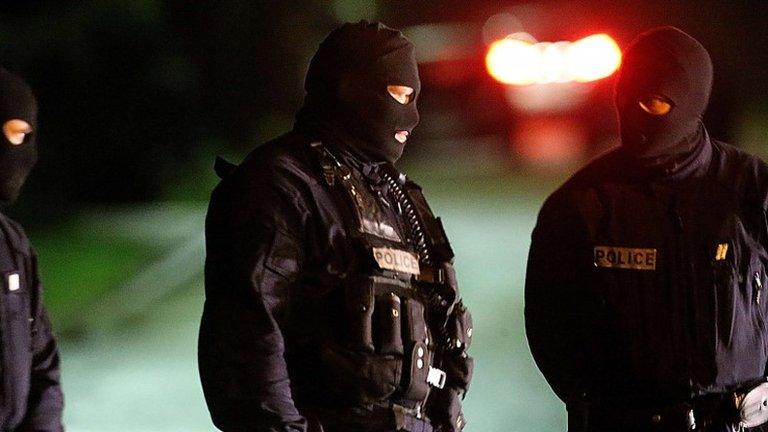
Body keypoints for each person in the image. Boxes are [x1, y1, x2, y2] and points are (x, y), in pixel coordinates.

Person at [199, 21, 473, 432]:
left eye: (415, 98)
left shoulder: (397, 193)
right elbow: (247, 348)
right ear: (352, 91)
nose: (411, 117)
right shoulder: (280, 186)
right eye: (398, 96)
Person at [525, 26, 768, 432]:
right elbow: (551, 333)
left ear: (691, 103)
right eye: (628, 99)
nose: (638, 116)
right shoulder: (580, 206)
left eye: (655, 103)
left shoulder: (752, 193)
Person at [0, 67, 64, 431]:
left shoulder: (12, 244)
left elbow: (42, 364)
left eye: (24, 135)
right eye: (12, 134)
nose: (21, 149)